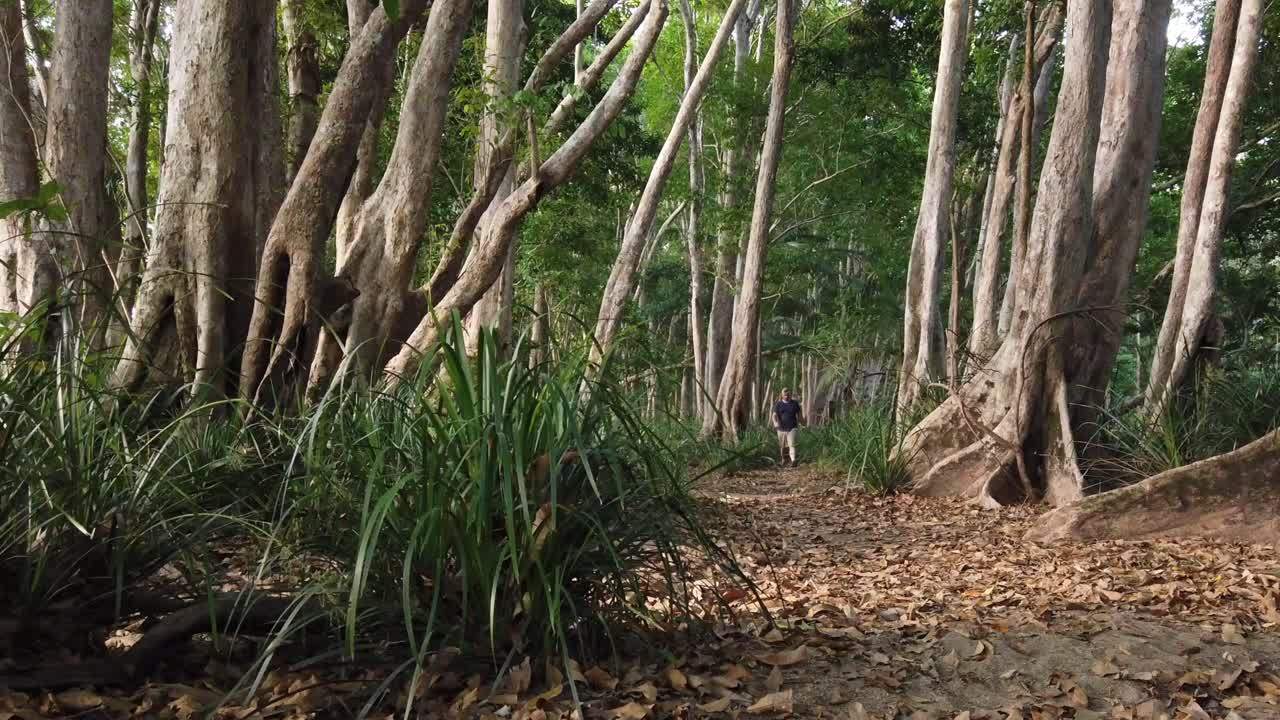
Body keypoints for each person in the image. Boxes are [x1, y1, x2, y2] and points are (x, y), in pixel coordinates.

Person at [772, 388, 805, 467]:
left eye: (788, 394)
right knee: (782, 446)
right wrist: (775, 423)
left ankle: (793, 460)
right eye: (785, 394)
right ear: (782, 395)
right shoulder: (778, 404)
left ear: (790, 395)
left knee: (792, 444)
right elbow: (774, 415)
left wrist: (803, 423)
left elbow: (799, 415)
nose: (786, 395)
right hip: (781, 428)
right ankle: (784, 460)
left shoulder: (795, 404)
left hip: (792, 427)